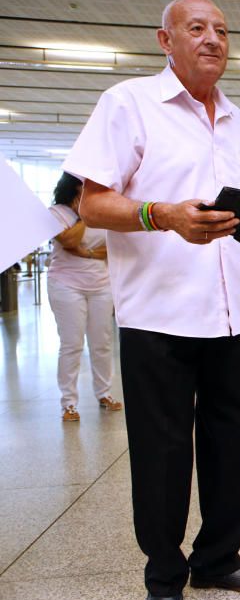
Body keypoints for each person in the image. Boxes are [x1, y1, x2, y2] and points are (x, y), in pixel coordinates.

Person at [63, 0, 240, 600]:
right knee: (162, 453)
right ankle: (164, 577)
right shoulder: (128, 103)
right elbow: (92, 204)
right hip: (159, 314)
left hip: (234, 312)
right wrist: (163, 215)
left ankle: (219, 557)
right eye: (197, 28)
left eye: (221, 29)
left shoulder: (239, 120)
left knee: (231, 441)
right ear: (165, 39)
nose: (213, 38)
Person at [46, 172, 122, 422]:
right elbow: (68, 240)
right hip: (66, 284)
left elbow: (109, 249)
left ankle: (104, 393)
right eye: (83, 192)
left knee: (102, 342)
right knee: (72, 344)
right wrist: (83, 214)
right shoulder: (57, 213)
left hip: (100, 284)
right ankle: (68, 403)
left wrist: (85, 253)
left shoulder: (103, 213)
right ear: (73, 191)